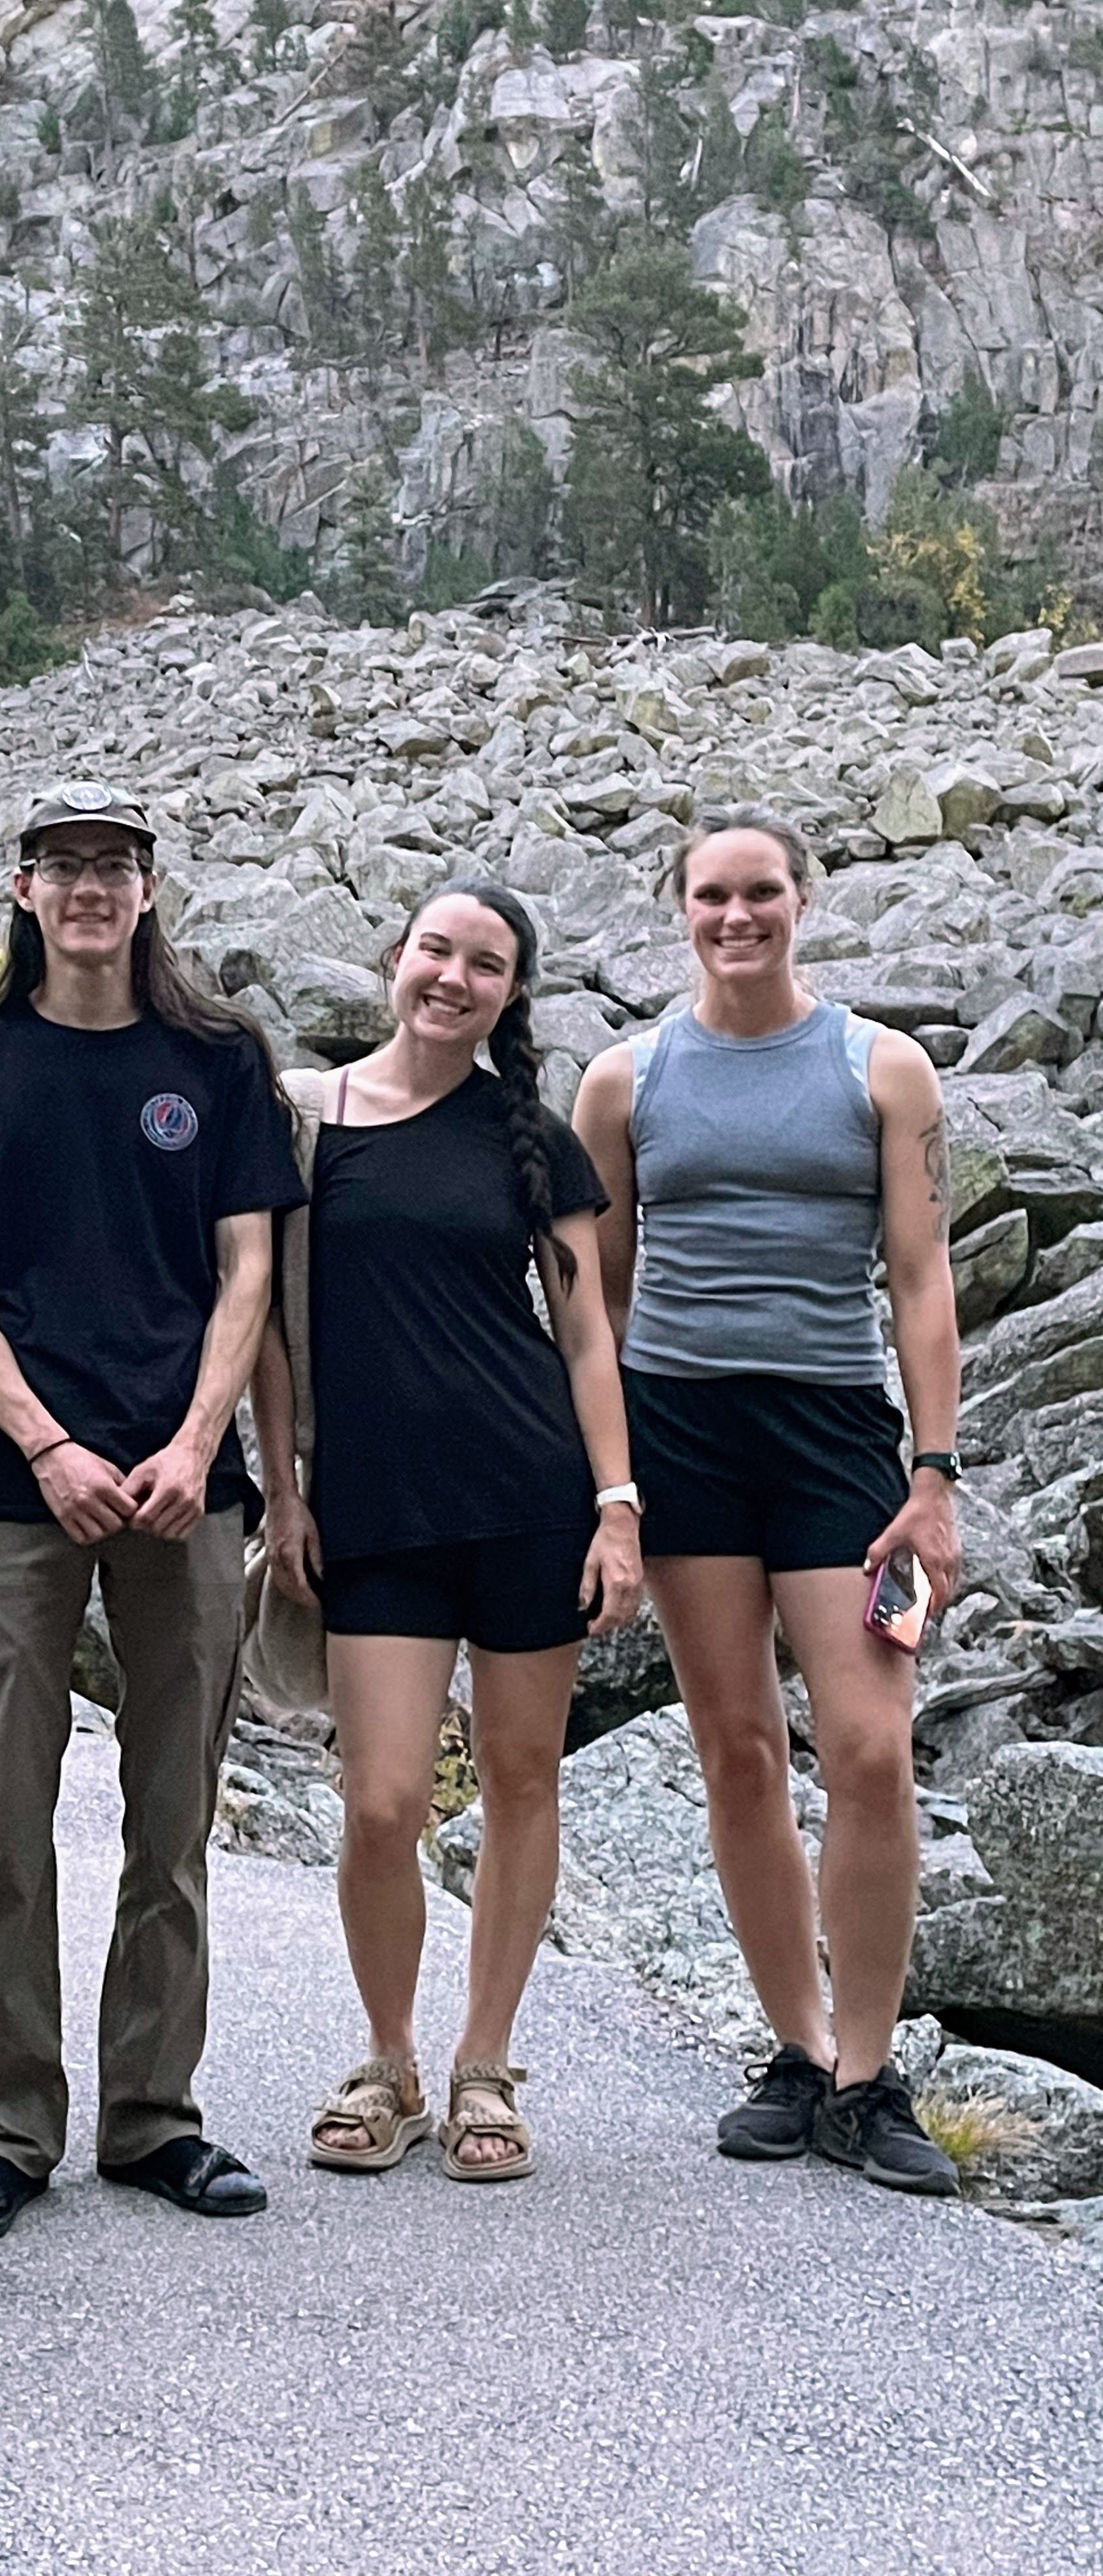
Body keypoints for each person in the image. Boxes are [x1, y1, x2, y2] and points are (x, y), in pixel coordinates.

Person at [0, 781, 305, 2243]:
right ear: (23, 888)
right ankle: (8, 2127)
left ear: (148, 888)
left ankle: (152, 2117)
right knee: (4, 1819)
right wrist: (51, 1445)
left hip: (189, 1489)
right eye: (63, 865)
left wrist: (196, 1444)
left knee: (172, 1816)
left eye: (114, 865)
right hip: (17, 1492)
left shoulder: (217, 1062)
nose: (89, 889)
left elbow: (250, 1274)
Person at [574, 807, 962, 2196]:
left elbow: (919, 1277)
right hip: (682, 1432)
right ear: (680, 910)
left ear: (805, 898)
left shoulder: (882, 1067)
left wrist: (935, 1472)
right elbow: (598, 1299)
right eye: (711, 896)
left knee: (868, 1749)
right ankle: (797, 2050)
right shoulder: (625, 1081)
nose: (736, 918)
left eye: (761, 893)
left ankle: (869, 2071)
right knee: (737, 1747)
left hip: (837, 1435)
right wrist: (610, 1485)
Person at [251, 881, 642, 2182]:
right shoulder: (309, 1122)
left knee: (524, 1782)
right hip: (374, 1510)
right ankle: (389, 2059)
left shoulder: (532, 1138)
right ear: (395, 958)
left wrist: (617, 1506)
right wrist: (283, 1492)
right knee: (382, 1802)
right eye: (437, 951)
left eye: (486, 964)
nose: (454, 978)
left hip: (530, 1498)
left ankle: (484, 2065)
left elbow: (586, 1340)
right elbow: (266, 1330)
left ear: (511, 992)